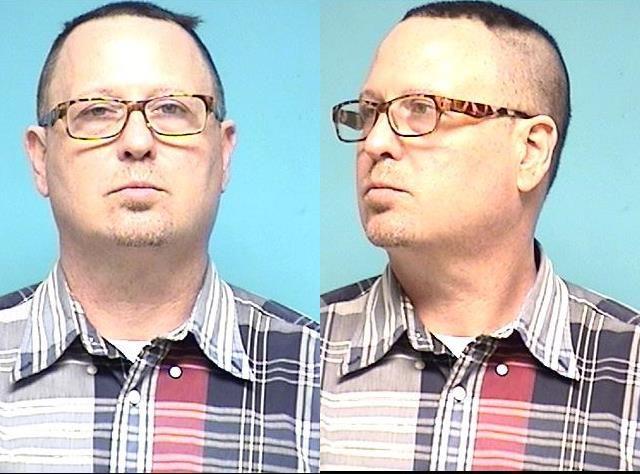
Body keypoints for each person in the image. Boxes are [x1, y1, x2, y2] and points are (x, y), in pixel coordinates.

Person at [0, 2, 319, 472]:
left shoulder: (319, 375)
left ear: (224, 152)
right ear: (39, 158)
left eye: (171, 109)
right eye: (96, 111)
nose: (137, 142)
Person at [321, 1, 640, 470]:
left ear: (530, 151)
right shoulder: (301, 355)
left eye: (421, 109)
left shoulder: (630, 372)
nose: (375, 143)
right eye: (370, 113)